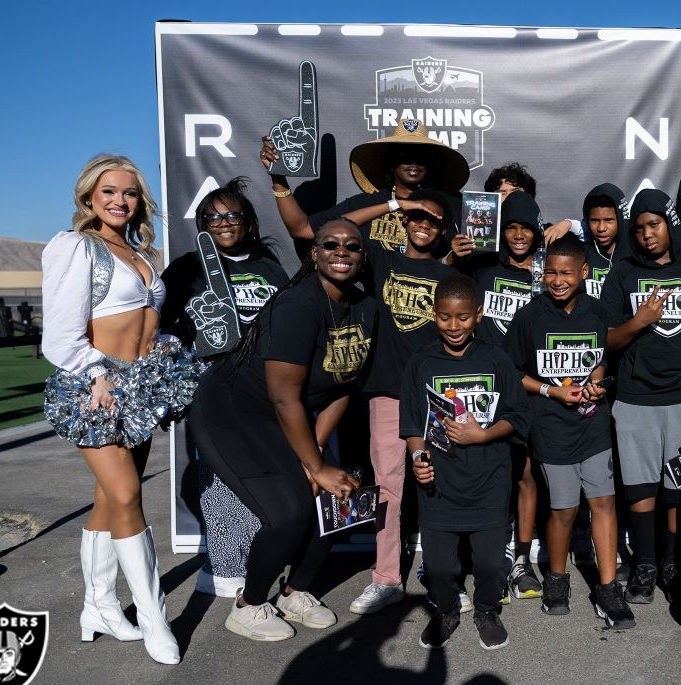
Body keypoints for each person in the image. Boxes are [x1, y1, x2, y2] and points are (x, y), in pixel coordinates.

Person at [40, 154, 201, 665]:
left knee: (109, 499)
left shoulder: (141, 253)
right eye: (108, 191)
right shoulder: (75, 248)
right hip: (96, 388)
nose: (119, 200)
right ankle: (155, 619)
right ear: (88, 196)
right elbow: (61, 334)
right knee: (129, 493)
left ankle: (100, 606)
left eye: (129, 192)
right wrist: (96, 373)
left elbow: (144, 322)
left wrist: (163, 350)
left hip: (140, 386)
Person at [189, 219, 376, 641]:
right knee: (288, 512)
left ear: (363, 257)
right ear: (315, 253)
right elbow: (284, 397)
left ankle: (295, 591)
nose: (341, 252)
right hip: (233, 413)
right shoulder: (299, 304)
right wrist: (313, 465)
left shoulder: (365, 308)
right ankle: (249, 605)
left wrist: (320, 457)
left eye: (352, 246)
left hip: (285, 415)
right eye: (330, 244)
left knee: (336, 499)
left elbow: (344, 384)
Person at [160, 177, 292, 598]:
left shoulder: (270, 267)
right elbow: (159, 329)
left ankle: (258, 556)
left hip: (263, 388)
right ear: (202, 225)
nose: (224, 222)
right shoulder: (186, 268)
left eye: (233, 214)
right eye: (213, 217)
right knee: (219, 475)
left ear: (249, 223)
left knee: (261, 471)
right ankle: (222, 566)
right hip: (211, 388)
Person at [600, 189, 681, 603]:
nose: (646, 235)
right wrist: (640, 321)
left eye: (653, 225)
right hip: (635, 398)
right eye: (638, 229)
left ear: (669, 224)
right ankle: (645, 565)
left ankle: (671, 561)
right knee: (639, 489)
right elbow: (605, 341)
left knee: (676, 488)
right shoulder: (622, 273)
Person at [505, 236, 635, 627]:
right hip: (550, 426)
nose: (557, 280)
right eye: (550, 273)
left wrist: (599, 382)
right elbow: (512, 373)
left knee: (603, 503)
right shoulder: (530, 316)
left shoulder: (598, 312)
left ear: (584, 272)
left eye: (566, 273)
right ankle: (557, 580)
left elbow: (604, 362)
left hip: (593, 424)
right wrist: (552, 390)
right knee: (564, 509)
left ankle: (608, 588)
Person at [400, 274, 529, 650]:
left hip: (489, 481)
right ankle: (447, 609)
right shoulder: (420, 363)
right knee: (439, 567)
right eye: (444, 317)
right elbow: (411, 422)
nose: (453, 326)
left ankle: (487, 610)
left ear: (479, 314)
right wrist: (418, 456)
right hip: (439, 486)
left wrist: (483, 435)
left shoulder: (497, 359)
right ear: (433, 315)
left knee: (490, 564)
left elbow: (519, 417)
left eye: (462, 317)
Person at [349, 189, 462, 615]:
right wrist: (397, 204)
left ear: (443, 230)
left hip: (435, 396)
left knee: (440, 487)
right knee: (388, 491)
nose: (423, 224)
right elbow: (337, 230)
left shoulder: (449, 274)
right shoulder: (382, 260)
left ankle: (443, 575)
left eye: (433, 220)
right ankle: (386, 578)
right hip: (386, 394)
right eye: (417, 216)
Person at [451, 190, 545, 599]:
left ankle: (522, 561)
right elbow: (450, 300)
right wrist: (455, 259)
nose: (518, 235)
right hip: (483, 386)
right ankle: (487, 558)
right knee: (487, 474)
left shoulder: (545, 275)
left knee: (525, 474)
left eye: (526, 228)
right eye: (511, 227)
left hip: (528, 389)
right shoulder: (485, 266)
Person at [261, 119, 468, 254]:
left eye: (421, 156)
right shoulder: (368, 203)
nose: (413, 161)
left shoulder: (451, 206)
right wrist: (278, 177)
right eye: (404, 154)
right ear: (391, 163)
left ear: (432, 164)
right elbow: (302, 229)